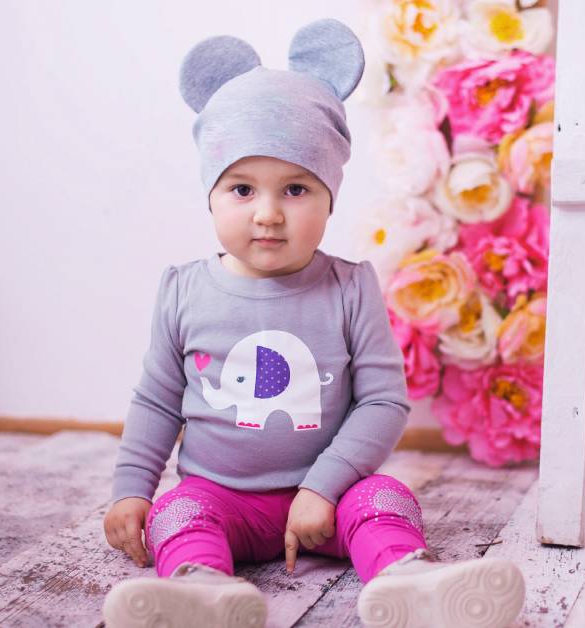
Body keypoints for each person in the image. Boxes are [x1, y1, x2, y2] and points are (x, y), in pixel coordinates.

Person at [100, 19, 525, 628]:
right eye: (243, 189)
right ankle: (201, 591)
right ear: (211, 196)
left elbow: (382, 403)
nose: (269, 214)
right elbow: (157, 403)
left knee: (386, 500)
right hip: (221, 497)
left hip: (330, 496)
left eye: (296, 189)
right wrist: (131, 491)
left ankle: (410, 581)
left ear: (330, 198)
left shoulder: (350, 287)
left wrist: (323, 487)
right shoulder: (183, 290)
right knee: (178, 512)